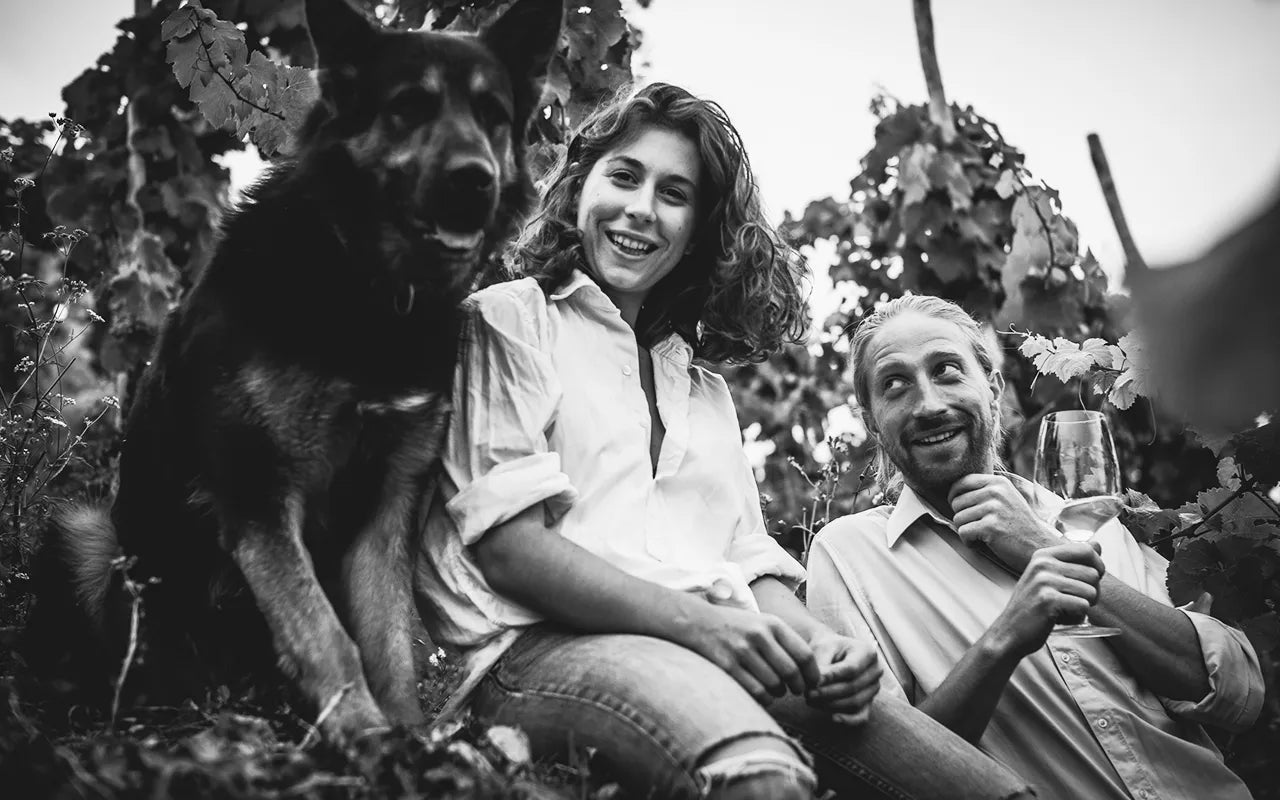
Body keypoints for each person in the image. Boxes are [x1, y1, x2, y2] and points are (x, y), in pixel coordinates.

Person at [413, 84, 1033, 799]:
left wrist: (824, 645)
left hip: (711, 651)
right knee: (761, 778)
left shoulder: (703, 391)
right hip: (536, 651)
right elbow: (509, 548)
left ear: (699, 231)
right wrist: (704, 627)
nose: (642, 208)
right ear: (580, 186)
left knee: (992, 793)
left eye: (674, 194)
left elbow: (747, 563)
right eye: (624, 177)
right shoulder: (510, 320)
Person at [806, 294, 1265, 800]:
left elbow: (1235, 692)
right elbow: (876, 772)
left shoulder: (1088, 520)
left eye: (947, 371)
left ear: (993, 388)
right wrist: (1004, 639)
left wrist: (1041, 546)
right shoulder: (850, 554)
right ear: (872, 420)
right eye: (895, 384)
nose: (929, 405)